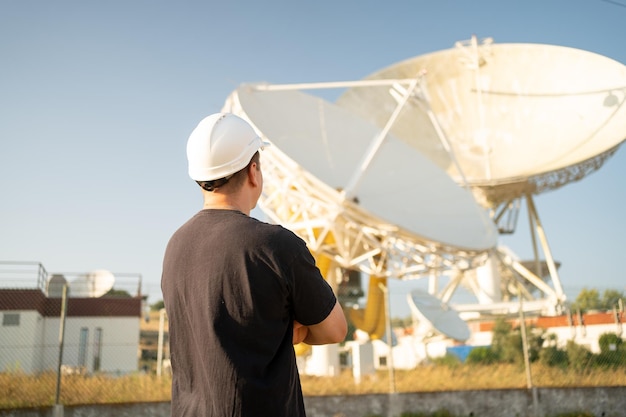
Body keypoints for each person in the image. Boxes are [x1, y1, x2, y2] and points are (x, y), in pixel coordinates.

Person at [161, 112, 347, 417]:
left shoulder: (175, 246)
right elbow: (334, 330)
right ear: (253, 171)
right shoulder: (276, 246)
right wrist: (294, 329)